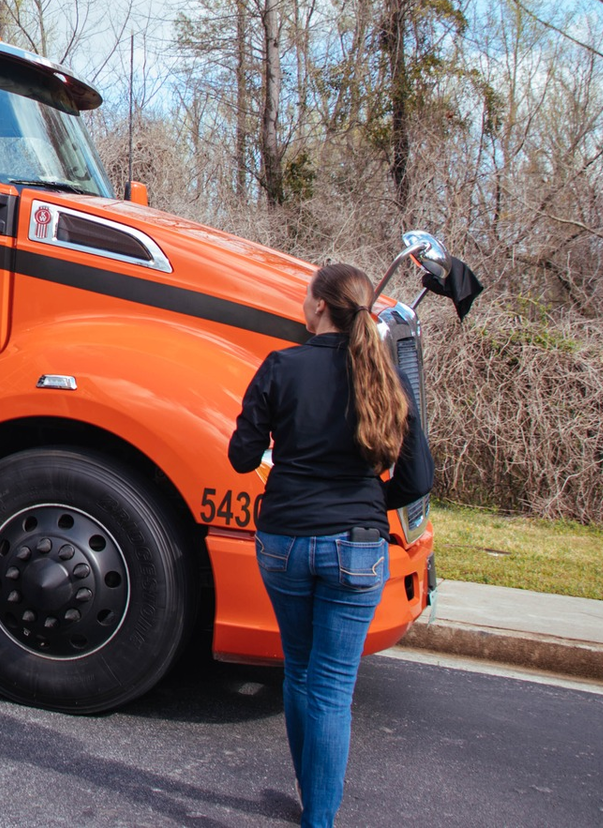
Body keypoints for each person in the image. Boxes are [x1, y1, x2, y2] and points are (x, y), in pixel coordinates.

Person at [228, 262, 432, 828]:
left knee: (298, 669)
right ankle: (319, 816)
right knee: (333, 688)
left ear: (319, 307)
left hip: (286, 541)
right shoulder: (386, 376)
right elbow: (416, 480)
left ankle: (308, 788)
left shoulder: (280, 367)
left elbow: (242, 456)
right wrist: (366, 507)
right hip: (359, 547)